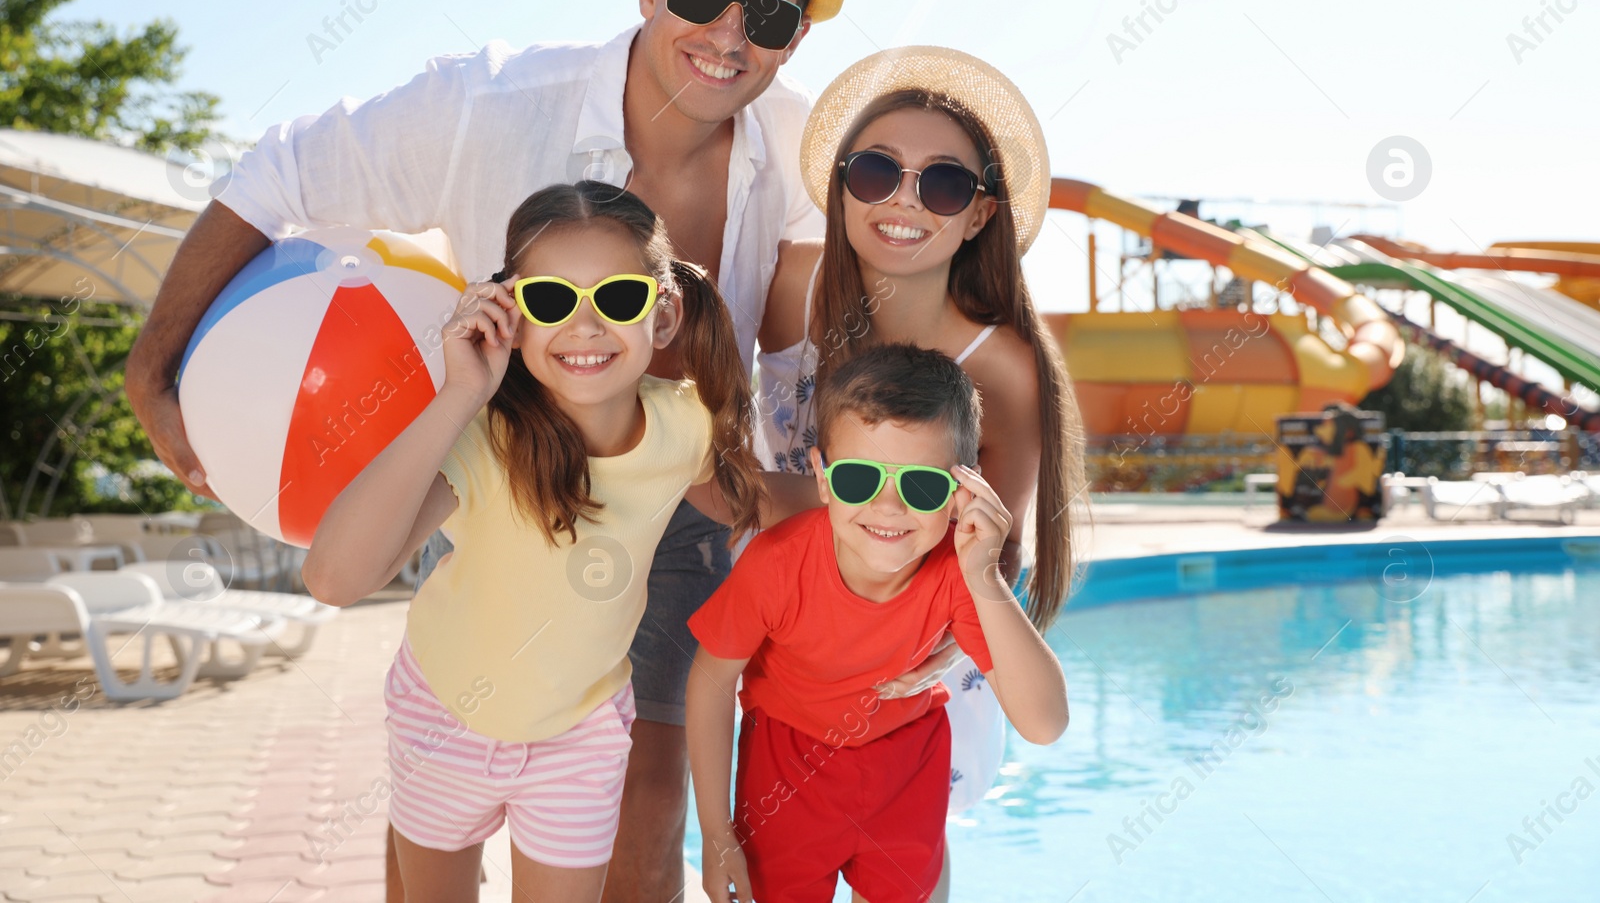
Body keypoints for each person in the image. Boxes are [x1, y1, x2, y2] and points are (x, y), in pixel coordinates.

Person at [125, 0, 843, 899]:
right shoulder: (488, 102)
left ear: (797, 34)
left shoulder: (799, 150)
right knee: (442, 793)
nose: (730, 34)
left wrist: (860, 517)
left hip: (672, 488)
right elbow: (275, 170)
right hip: (508, 465)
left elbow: (785, 372)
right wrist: (154, 368)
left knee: (643, 827)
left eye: (768, 17)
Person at [303, 183, 764, 900]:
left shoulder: (686, 429)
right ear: (511, 313)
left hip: (578, 734)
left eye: (616, 299)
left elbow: (759, 504)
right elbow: (333, 579)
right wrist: (461, 391)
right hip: (444, 715)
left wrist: (879, 493)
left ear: (663, 313)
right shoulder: (484, 439)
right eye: (551, 301)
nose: (584, 325)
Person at [753, 46, 1088, 893]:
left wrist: (756, 496)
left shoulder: (1003, 363)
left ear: (977, 216)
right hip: (788, 648)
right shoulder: (791, 285)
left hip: (918, 657)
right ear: (840, 186)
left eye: (941, 184)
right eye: (876, 171)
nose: (903, 200)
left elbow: (992, 538)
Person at [686, 344, 1070, 903]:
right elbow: (712, 682)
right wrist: (716, 831)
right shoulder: (775, 564)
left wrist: (985, 574)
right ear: (822, 478)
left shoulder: (960, 575)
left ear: (961, 492)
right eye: (860, 480)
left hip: (905, 768)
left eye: (920, 486)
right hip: (786, 771)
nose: (888, 507)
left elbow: (1045, 724)